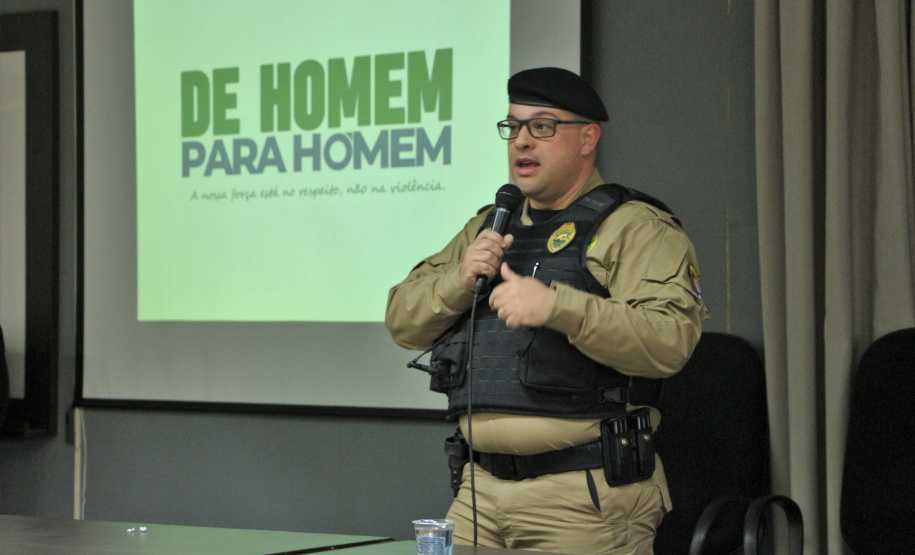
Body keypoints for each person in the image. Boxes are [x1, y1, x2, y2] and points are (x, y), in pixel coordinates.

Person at [385, 67, 709, 555]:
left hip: (583, 495)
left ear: (587, 138)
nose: (521, 143)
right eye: (513, 127)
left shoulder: (634, 227)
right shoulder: (490, 226)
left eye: (542, 126)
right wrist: (458, 281)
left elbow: (669, 341)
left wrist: (559, 306)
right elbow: (402, 321)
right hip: (478, 491)